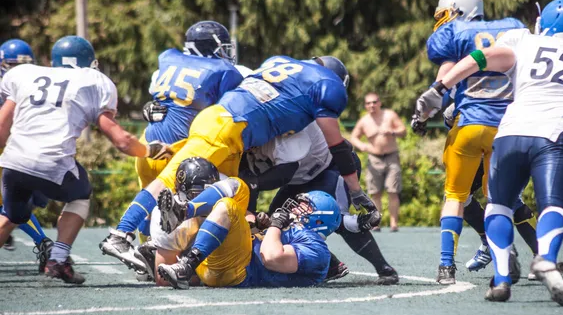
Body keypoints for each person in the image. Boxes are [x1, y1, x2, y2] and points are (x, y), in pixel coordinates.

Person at [109, 53, 376, 258]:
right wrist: (356, 191)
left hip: (224, 126)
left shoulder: (278, 62)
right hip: (230, 129)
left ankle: (178, 249)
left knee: (230, 196)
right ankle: (121, 233)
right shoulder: (328, 87)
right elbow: (338, 147)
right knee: (167, 183)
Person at [420, 0, 563, 306]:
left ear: (545, 23)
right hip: (555, 138)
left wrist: (439, 89)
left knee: (497, 205)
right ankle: (546, 258)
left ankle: (501, 280)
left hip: (510, 132)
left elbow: (480, 58)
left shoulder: (524, 41)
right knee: (555, 207)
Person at [0, 35, 171, 284]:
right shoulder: (91, 81)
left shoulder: (24, 75)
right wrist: (148, 151)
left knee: (12, 216)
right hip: (52, 161)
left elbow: (3, 127)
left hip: (13, 161)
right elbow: (120, 140)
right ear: (88, 62)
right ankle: (58, 259)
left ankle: (57, 258)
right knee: (80, 194)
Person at [99, 21, 243, 272]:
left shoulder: (168, 58)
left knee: (149, 202)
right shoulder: (223, 70)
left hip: (149, 145)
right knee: (206, 199)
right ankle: (121, 235)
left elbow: (164, 99)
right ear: (212, 46)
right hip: (178, 148)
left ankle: (148, 257)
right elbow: (223, 112)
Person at [411, 0, 526, 285]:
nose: (442, 21)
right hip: (506, 130)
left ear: (459, 9)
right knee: (501, 201)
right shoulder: (513, 31)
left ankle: (445, 268)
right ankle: (537, 258)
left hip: (469, 126)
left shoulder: (456, 38)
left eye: (446, 13)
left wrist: (421, 116)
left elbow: (441, 84)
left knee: (454, 198)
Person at [240, 121, 397, 284]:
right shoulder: (245, 138)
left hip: (330, 168)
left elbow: (284, 172)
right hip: (299, 177)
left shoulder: (283, 122)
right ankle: (329, 265)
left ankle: (382, 266)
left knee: (330, 215)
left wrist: (254, 183)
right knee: (277, 221)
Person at [154, 160, 340, 289]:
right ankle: (184, 212)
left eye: (305, 206)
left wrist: (274, 226)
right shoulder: (295, 232)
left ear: (319, 218)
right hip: (225, 264)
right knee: (239, 188)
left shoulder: (317, 249)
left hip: (238, 271)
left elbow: (270, 256)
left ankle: (185, 265)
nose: (297, 206)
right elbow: (258, 240)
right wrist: (259, 226)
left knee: (228, 206)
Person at [0, 39, 57, 272]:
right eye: (13, 64)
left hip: (16, 150)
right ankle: (42, 242)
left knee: (12, 206)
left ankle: (43, 242)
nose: (18, 70)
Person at [350, 92, 406, 231]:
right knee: (375, 192)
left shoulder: (389, 115)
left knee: (393, 190)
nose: (372, 105)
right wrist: (362, 146)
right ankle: (376, 223)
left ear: (379, 103)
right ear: (365, 106)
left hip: (392, 157)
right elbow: (354, 137)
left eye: (374, 102)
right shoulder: (364, 121)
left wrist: (392, 132)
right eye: (368, 103)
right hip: (374, 158)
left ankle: (394, 224)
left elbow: (403, 130)